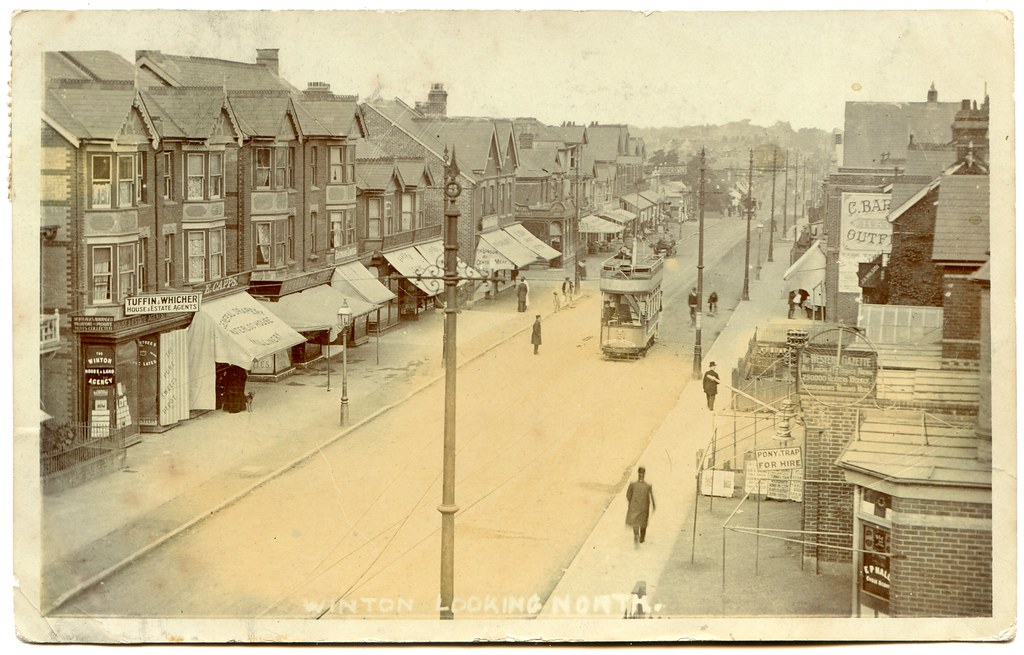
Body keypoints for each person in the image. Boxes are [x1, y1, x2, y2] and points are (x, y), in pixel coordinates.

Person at [625, 466, 655, 546]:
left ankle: (636, 535)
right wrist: (654, 506)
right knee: (643, 522)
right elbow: (651, 497)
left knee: (635, 521)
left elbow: (628, 495)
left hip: (635, 505)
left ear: (638, 474)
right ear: (644, 474)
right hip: (644, 507)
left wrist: (632, 502)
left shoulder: (633, 485)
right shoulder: (647, 486)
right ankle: (642, 538)